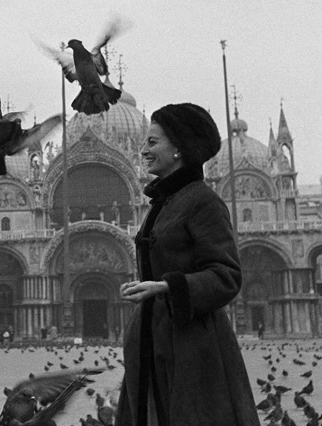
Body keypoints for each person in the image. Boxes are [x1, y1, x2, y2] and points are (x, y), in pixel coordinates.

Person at [116, 103, 259, 426]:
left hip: (190, 346)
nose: (144, 151)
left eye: (153, 142)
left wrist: (169, 286)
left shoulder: (202, 200)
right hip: (155, 340)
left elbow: (227, 275)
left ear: (178, 148)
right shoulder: (165, 202)